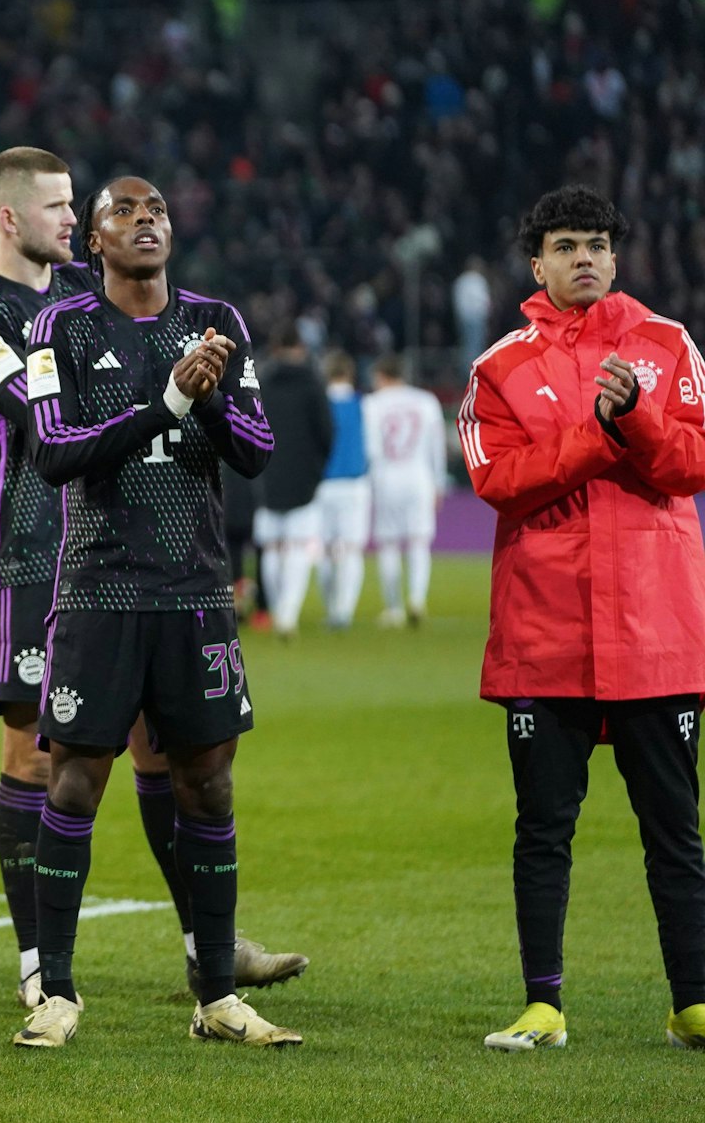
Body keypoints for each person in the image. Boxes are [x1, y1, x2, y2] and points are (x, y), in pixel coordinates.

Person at [0, 151, 302, 1021]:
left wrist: (196, 391)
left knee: (166, 754)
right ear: (9, 218)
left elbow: (251, 446)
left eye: (80, 207)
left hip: (171, 565)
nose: (71, 222)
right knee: (43, 753)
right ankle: (42, 964)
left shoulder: (165, 314)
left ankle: (204, 950)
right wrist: (167, 397)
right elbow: (47, 433)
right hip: (43, 552)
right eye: (61, 209)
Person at [457, 185, 705, 1052]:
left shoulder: (670, 345)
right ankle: (544, 1003)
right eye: (566, 245)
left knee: (676, 828)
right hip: (546, 632)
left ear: (616, 253)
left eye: (598, 243)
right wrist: (606, 436)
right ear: (538, 264)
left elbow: (694, 462)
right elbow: (497, 479)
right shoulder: (499, 367)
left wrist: (634, 417)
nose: (586, 258)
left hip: (656, 630)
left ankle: (693, 1001)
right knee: (544, 829)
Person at [251, 326, 330, 639]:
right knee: (298, 546)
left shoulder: (262, 380)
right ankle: (287, 614)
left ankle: (274, 608)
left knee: (271, 547)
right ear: (300, 347)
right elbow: (326, 432)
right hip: (303, 476)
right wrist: (317, 466)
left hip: (266, 472)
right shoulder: (312, 382)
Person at [361, 354, 446, 628]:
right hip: (419, 476)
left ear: (381, 376)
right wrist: (439, 483)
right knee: (419, 542)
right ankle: (417, 600)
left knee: (389, 544)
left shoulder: (372, 404)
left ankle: (394, 608)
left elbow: (371, 448)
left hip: (386, 476)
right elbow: (437, 447)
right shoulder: (426, 401)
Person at [313, 350, 370, 630]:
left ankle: (330, 607)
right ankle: (343, 612)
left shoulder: (318, 404)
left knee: (323, 550)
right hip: (354, 485)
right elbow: (372, 446)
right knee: (351, 550)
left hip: (322, 485)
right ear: (350, 374)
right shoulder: (363, 404)